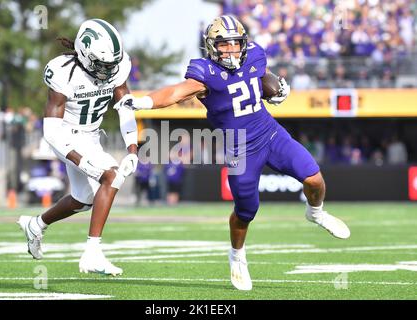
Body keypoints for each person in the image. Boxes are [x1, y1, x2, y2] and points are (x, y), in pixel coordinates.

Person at [116, 15, 350, 290]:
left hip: (270, 133)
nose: (231, 50)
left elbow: (263, 78)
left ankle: (316, 212)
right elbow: (176, 93)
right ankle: (237, 255)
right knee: (246, 211)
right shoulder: (204, 73)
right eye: (224, 44)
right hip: (240, 148)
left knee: (313, 178)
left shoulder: (255, 55)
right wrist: (142, 101)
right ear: (212, 46)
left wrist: (276, 89)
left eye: (235, 43)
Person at [17, 19, 139, 276]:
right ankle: (93, 252)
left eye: (111, 65)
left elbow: (125, 106)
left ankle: (36, 225)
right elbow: (50, 131)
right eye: (102, 64)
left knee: (83, 200)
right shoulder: (62, 72)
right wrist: (81, 160)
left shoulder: (116, 66)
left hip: (92, 136)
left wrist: (132, 147)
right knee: (112, 175)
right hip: (66, 136)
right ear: (85, 54)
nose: (107, 70)